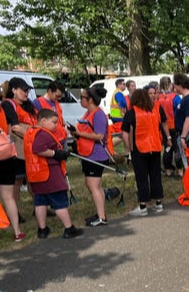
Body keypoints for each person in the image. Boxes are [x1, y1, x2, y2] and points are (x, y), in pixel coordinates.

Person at [25, 109, 82, 239]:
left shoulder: (30, 132)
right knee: (59, 202)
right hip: (49, 174)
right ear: (43, 121)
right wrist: (55, 153)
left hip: (36, 174)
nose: (56, 125)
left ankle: (42, 229)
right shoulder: (43, 134)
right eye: (54, 122)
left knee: (40, 202)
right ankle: (69, 228)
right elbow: (38, 149)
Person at [122, 89, 171, 216]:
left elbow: (125, 134)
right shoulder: (155, 111)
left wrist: (128, 150)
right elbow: (162, 125)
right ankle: (158, 203)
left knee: (142, 177)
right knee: (155, 175)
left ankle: (143, 206)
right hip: (154, 147)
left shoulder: (132, 113)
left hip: (139, 148)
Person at [70, 87, 110, 227]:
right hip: (89, 154)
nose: (80, 99)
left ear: (90, 99)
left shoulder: (98, 114)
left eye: (82, 97)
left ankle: (101, 217)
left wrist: (79, 134)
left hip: (96, 155)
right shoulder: (89, 113)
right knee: (94, 186)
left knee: (94, 186)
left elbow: (99, 136)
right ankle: (100, 213)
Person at [2, 77, 38, 224]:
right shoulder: (8, 104)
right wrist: (35, 138)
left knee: (32, 179)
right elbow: (15, 128)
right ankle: (15, 211)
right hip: (17, 150)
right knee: (17, 180)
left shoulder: (29, 105)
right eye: (24, 90)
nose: (26, 92)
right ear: (14, 90)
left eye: (28, 90)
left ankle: (39, 207)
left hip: (29, 148)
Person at [0, 81, 25, 242]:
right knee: (8, 196)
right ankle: (17, 231)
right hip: (5, 154)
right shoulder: (3, 109)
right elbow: (9, 130)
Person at [158, 76, 182, 178]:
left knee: (167, 148)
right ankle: (180, 170)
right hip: (174, 126)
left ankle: (168, 170)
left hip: (163, 127)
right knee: (177, 149)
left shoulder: (157, 97)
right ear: (170, 84)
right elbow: (180, 112)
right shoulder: (175, 97)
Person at [33, 81, 68, 147]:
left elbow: (59, 116)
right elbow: (37, 123)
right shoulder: (38, 103)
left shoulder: (56, 102)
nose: (59, 98)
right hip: (51, 140)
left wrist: (65, 125)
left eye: (60, 96)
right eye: (57, 96)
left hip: (62, 138)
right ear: (49, 91)